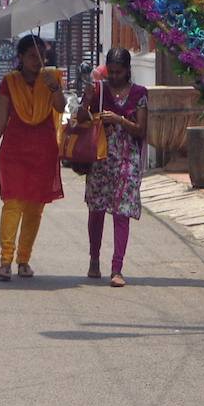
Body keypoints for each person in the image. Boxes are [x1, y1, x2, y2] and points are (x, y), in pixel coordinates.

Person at [0, 35, 65, 280]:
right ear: (21, 58)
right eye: (32, 57)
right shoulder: (9, 82)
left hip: (43, 151)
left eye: (41, 57)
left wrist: (54, 87)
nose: (38, 61)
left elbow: (60, 107)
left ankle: (24, 259)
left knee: (35, 208)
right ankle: (5, 260)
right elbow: (2, 117)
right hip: (14, 150)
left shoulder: (52, 78)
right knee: (13, 204)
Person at [78, 47, 148, 287]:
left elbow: (141, 129)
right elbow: (80, 118)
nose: (115, 76)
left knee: (122, 213)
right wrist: (87, 101)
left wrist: (119, 120)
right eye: (111, 72)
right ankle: (94, 259)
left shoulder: (139, 94)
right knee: (96, 211)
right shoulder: (98, 91)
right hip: (100, 158)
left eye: (119, 72)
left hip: (127, 159)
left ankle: (117, 268)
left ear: (128, 70)